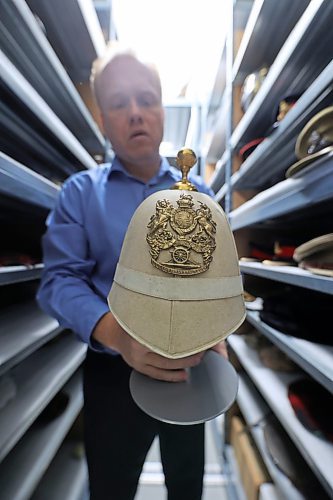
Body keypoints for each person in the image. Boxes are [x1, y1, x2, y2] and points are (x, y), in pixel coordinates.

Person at [37, 43, 227, 500]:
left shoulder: (199, 193)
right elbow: (59, 281)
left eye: (147, 99)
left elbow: (214, 276)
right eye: (119, 104)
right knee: (112, 485)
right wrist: (119, 335)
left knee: (187, 482)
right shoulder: (79, 194)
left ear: (163, 110)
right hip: (112, 373)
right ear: (102, 119)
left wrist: (218, 333)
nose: (136, 113)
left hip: (191, 364)